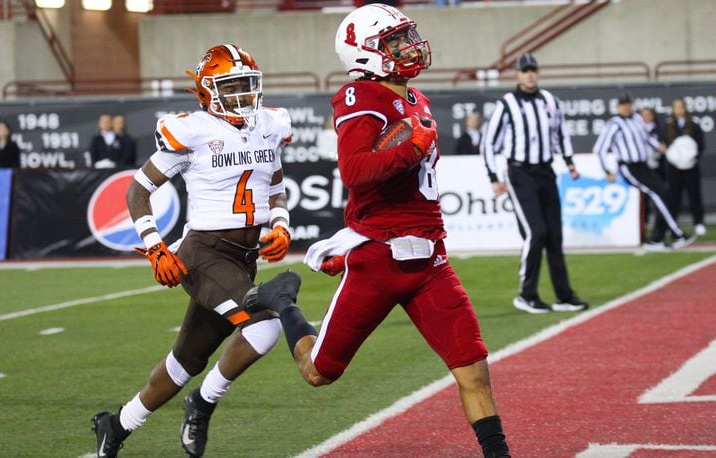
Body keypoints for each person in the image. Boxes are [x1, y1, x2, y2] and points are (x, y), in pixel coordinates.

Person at [245, 5, 510, 458]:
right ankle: (284, 303)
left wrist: (412, 147)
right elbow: (355, 171)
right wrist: (412, 147)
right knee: (319, 373)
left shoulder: (415, 98)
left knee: (473, 368)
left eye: (407, 37)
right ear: (364, 51)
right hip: (380, 260)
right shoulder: (358, 96)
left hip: (430, 258)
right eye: (395, 41)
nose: (408, 47)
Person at [91, 44, 293, 458]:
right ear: (205, 91)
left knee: (185, 361)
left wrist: (281, 224)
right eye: (230, 86)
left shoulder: (269, 125)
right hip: (204, 254)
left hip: (242, 258)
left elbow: (274, 185)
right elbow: (138, 190)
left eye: (245, 85)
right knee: (264, 326)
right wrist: (154, 246)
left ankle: (117, 425)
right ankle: (203, 403)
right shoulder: (193, 130)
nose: (241, 94)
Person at [481, 52, 588, 314]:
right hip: (520, 173)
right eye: (525, 70)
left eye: (533, 70)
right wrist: (494, 177)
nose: (530, 74)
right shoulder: (507, 104)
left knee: (554, 235)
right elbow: (489, 144)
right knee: (536, 232)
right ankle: (526, 294)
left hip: (546, 171)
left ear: (538, 72)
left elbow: (561, 133)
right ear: (517, 74)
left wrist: (570, 162)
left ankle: (564, 295)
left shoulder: (550, 101)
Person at [593, 94, 694, 251]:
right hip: (629, 167)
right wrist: (607, 170)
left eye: (628, 104)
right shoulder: (614, 123)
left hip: (644, 165)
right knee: (656, 194)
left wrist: (659, 146)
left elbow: (645, 137)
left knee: (665, 193)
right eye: (623, 104)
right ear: (618, 107)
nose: (626, 107)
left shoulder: (637, 119)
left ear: (632, 105)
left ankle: (657, 239)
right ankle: (676, 233)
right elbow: (599, 149)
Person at [664, 98, 706, 236]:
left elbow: (700, 145)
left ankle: (698, 222)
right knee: (674, 196)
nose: (679, 109)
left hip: (691, 167)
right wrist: (674, 158)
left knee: (695, 195)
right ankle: (672, 223)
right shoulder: (668, 127)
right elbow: (665, 146)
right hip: (674, 168)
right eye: (676, 107)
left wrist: (691, 159)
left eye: (681, 107)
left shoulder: (694, 126)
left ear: (685, 108)